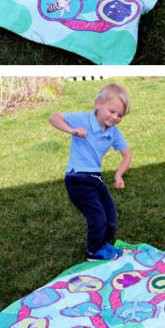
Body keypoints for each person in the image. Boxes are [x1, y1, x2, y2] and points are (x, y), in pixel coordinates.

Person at [49, 83, 133, 261]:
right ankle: (94, 251)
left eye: (120, 115)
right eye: (111, 111)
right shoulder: (83, 119)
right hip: (77, 178)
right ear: (98, 104)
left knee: (110, 215)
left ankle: (104, 244)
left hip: (96, 179)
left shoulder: (113, 132)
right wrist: (72, 130)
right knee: (98, 217)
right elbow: (54, 117)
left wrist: (119, 175)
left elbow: (126, 155)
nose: (115, 117)